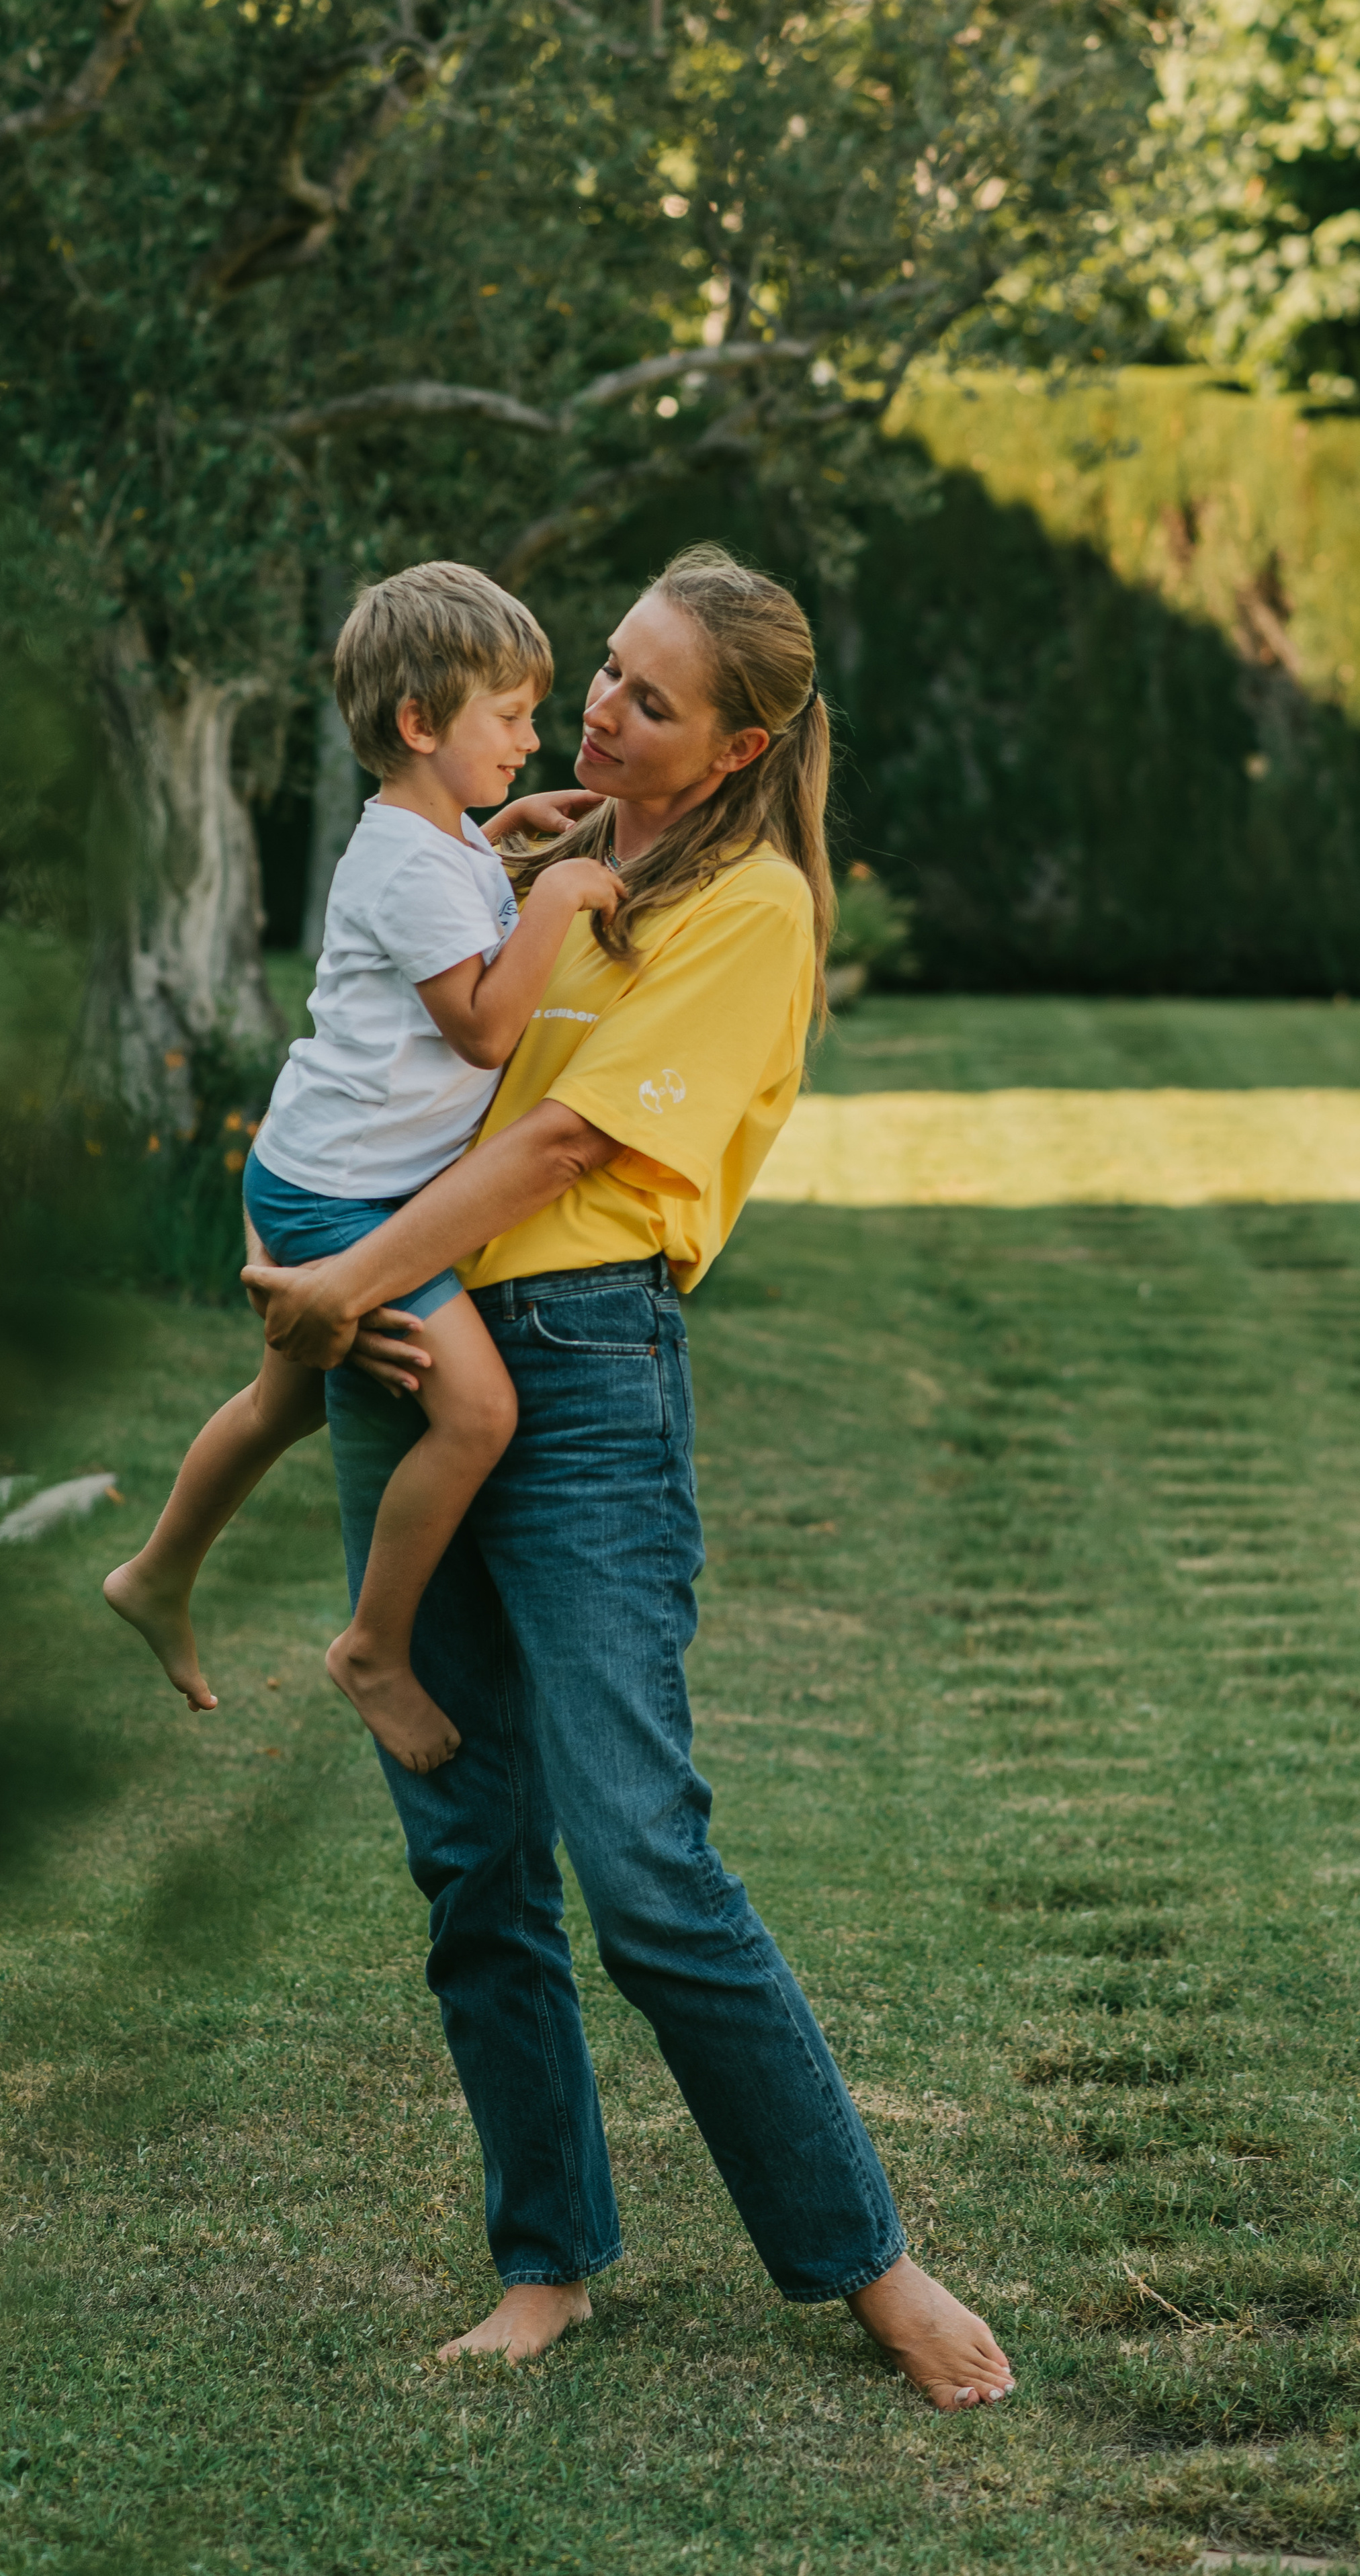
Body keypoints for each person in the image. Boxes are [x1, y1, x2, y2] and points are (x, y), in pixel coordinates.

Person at [241, 545, 1017, 2413]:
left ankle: (867, 2262)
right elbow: (419, 1037)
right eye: (602, 672)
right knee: (469, 1852)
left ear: (741, 742)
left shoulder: (749, 905)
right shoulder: (548, 853)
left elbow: (571, 1134)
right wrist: (359, 1264)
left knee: (643, 1860)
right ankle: (545, 2258)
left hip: (570, 1368)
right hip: (420, 1344)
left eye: (651, 700)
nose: (600, 707)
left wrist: (342, 1279)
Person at [103, 562, 616, 1773]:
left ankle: (156, 1567)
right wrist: (566, 898)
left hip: (315, 1165)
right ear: (420, 724)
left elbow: (448, 890)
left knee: (287, 1399)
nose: (533, 737)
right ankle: (375, 1648)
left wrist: (506, 839)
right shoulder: (405, 866)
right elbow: (485, 1026)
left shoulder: (432, 842)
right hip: (343, 1193)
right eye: (512, 718)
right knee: (479, 1409)